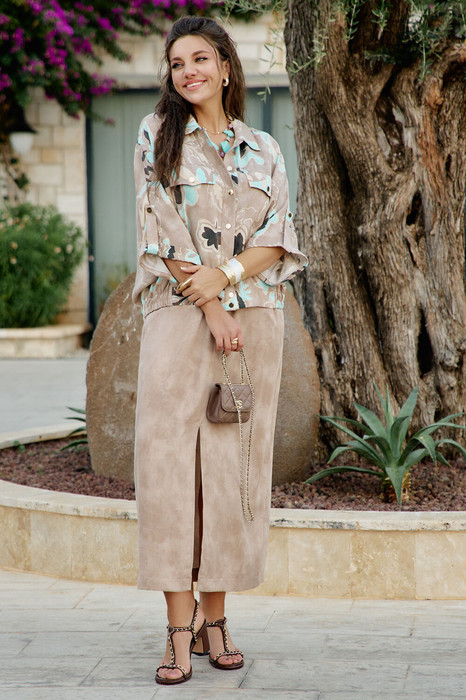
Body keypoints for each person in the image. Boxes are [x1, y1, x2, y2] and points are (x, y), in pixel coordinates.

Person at [132, 15, 307, 686]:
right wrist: (208, 303)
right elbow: (159, 229)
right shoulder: (156, 136)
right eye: (177, 63)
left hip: (254, 322)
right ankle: (178, 628)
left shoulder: (265, 148)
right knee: (169, 467)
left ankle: (216, 619)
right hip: (179, 320)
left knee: (234, 469)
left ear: (226, 66)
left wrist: (227, 280)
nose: (189, 72)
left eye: (200, 58)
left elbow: (278, 236)